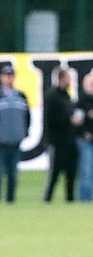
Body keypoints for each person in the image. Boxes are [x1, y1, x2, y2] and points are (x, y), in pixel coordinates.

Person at [0, 64, 30, 203]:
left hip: (15, 142)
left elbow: (27, 118)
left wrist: (23, 134)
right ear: (1, 77)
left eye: (11, 76)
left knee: (13, 176)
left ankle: (10, 201)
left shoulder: (21, 96)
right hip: (0, 143)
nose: (8, 78)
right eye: (6, 76)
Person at [43, 67, 81, 202]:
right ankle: (47, 200)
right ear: (61, 79)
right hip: (57, 142)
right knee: (54, 175)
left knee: (71, 174)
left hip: (69, 141)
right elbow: (51, 120)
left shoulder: (67, 96)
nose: (70, 81)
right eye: (68, 78)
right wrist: (69, 120)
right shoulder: (52, 96)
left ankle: (70, 200)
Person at [77, 71, 93, 202]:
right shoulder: (81, 100)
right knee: (86, 171)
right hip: (85, 140)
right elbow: (77, 121)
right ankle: (85, 198)